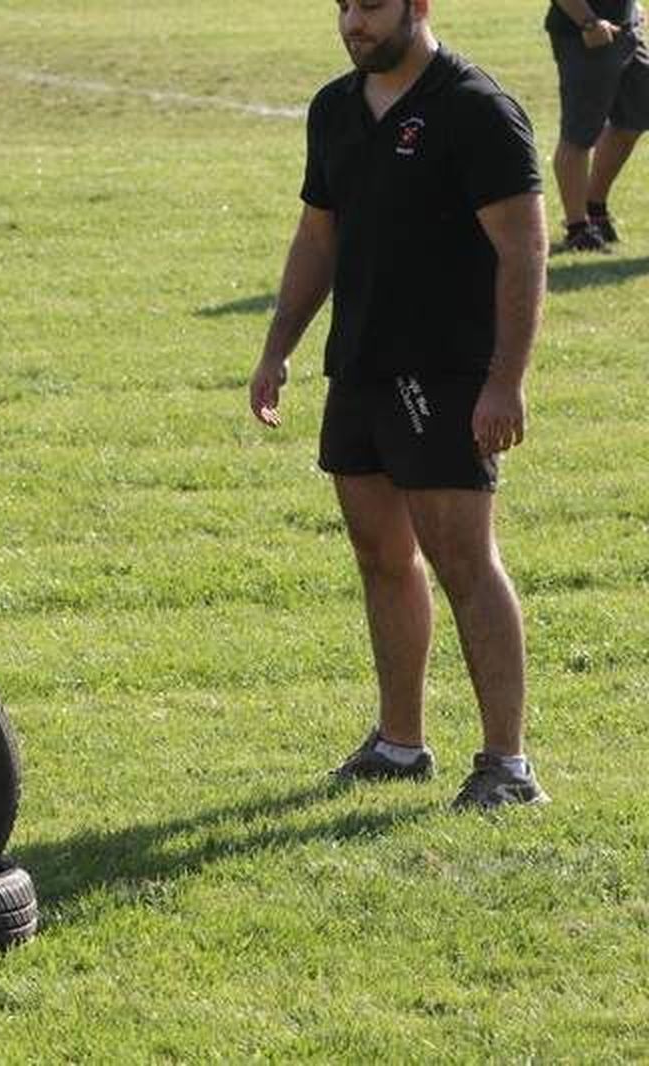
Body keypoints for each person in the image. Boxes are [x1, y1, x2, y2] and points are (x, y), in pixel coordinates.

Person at [248, 0, 550, 809]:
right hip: (360, 369)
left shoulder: (476, 109)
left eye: (373, 7)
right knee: (381, 557)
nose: (354, 23)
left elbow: (522, 251)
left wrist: (505, 378)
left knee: (463, 562)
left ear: (419, 7)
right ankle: (399, 743)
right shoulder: (335, 108)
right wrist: (279, 346)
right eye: (344, 8)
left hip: (448, 375)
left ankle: (507, 767)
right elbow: (320, 235)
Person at [545, 0, 649, 251]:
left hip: (626, 29)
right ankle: (578, 229)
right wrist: (588, 21)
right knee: (579, 135)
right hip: (585, 35)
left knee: (635, 119)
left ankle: (594, 208)